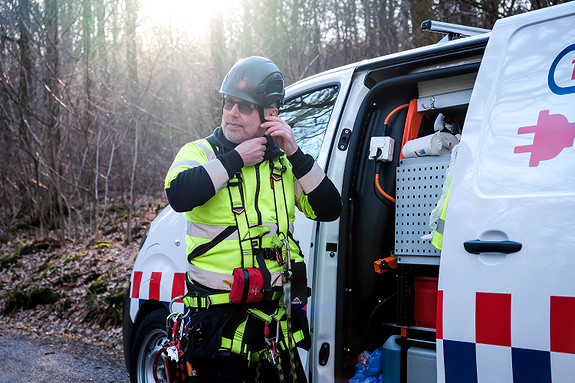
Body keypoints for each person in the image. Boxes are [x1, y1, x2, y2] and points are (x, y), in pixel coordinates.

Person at [164, 56, 342, 383]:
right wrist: (235, 159)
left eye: (244, 106)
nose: (232, 112)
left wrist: (296, 153)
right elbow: (178, 195)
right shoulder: (199, 152)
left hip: (275, 322)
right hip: (217, 324)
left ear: (270, 114)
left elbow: (329, 208)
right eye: (228, 103)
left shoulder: (285, 165)